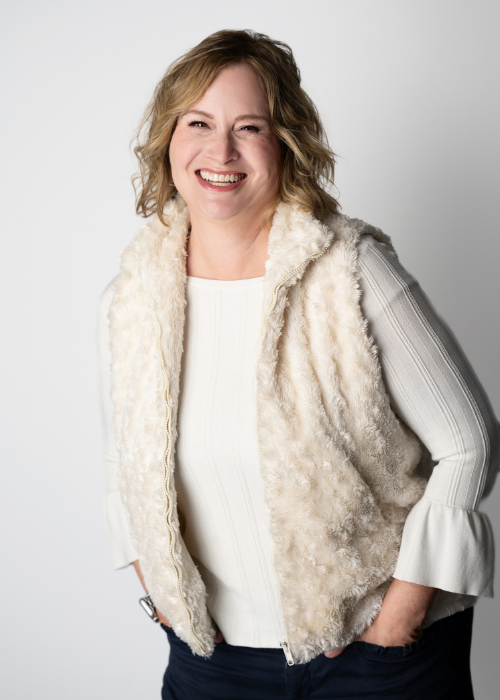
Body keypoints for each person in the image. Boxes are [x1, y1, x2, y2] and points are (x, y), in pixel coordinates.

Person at [99, 29, 499, 700]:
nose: (219, 151)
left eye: (248, 127)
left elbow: (472, 442)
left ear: (284, 144)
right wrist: (161, 595)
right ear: (168, 139)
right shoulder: (131, 297)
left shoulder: (351, 271)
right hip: (214, 662)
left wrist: (398, 617)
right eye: (197, 122)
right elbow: (123, 463)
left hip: (375, 660)